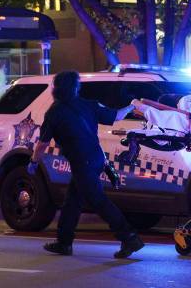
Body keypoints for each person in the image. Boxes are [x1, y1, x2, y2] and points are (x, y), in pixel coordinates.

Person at [28, 70, 143, 258]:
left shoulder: (54, 112)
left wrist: (33, 161)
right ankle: (64, 242)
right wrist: (131, 107)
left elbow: (42, 144)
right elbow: (116, 117)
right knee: (73, 201)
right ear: (75, 87)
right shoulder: (88, 105)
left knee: (98, 200)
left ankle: (129, 237)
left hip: (83, 162)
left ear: (56, 89)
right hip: (96, 159)